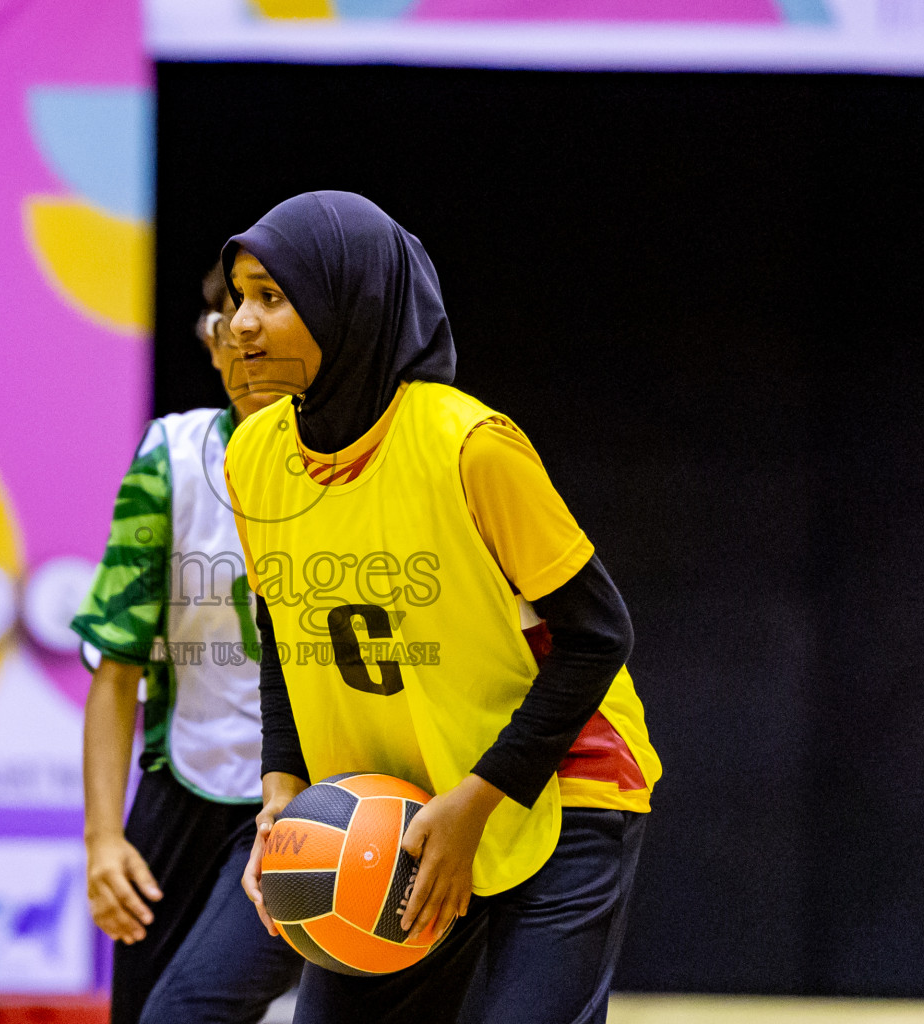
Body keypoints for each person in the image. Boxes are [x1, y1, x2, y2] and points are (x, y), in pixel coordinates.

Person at [222, 191, 661, 1024]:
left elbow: (598, 634)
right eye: (238, 296)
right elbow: (283, 625)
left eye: (271, 298)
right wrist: (281, 784)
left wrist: (476, 801)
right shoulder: (254, 455)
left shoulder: (470, 445)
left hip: (559, 782)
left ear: (350, 307)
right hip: (400, 796)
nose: (240, 323)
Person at [73, 264, 302, 1024]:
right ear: (210, 345)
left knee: (191, 1010)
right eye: (224, 328)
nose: (244, 346)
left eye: (266, 320)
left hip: (309, 796)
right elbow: (117, 663)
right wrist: (104, 837)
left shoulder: (357, 465)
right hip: (186, 783)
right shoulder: (170, 457)